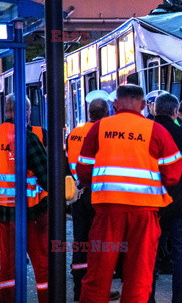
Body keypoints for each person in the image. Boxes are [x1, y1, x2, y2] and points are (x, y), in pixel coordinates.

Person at [77, 84, 182, 303]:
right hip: (144, 213)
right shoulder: (156, 130)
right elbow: (173, 174)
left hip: (107, 211)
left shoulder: (99, 128)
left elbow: (84, 169)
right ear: (144, 105)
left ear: (114, 104)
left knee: (98, 273)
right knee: (139, 275)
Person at [149, 92, 182, 303]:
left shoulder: (147, 133)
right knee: (181, 256)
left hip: (154, 202)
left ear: (154, 109)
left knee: (151, 254)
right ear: (174, 112)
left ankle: (148, 298)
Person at [66, 92, 120, 301]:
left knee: (80, 243)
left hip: (78, 195)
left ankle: (79, 290)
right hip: (99, 195)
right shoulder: (105, 133)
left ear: (89, 113)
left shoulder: (73, 134)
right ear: (106, 113)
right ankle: (100, 291)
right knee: (101, 245)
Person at [0, 94, 49, 303]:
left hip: (2, 213)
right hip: (32, 212)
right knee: (43, 264)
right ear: (27, 112)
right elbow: (47, 176)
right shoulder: (27, 138)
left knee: (6, 266)